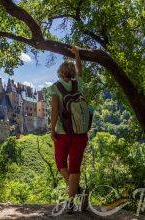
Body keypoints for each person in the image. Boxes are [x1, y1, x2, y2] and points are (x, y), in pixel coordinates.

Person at [49, 46, 89, 213]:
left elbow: (55, 111)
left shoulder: (55, 87)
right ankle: (75, 196)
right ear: (71, 72)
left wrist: (52, 129)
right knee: (74, 168)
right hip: (80, 133)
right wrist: (77, 54)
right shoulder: (78, 83)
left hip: (63, 133)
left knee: (60, 163)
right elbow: (80, 69)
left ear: (60, 72)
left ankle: (75, 197)